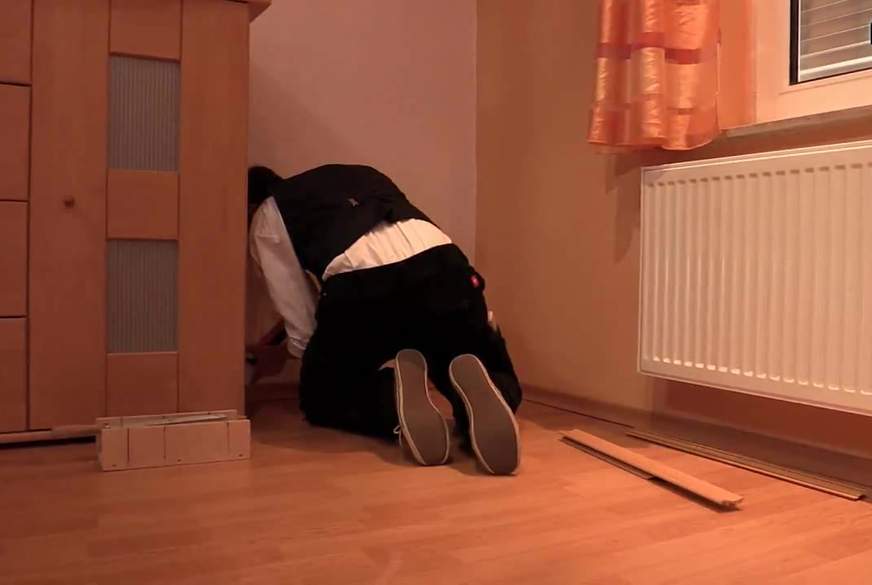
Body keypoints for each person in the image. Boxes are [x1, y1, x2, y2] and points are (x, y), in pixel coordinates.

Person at [247, 164, 522, 474]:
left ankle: (393, 406)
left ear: (250, 205)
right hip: (447, 269)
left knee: (325, 395)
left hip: (366, 291)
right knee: (459, 353)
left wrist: (286, 356)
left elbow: (301, 320)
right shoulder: (358, 175)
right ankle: (496, 392)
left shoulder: (267, 213)